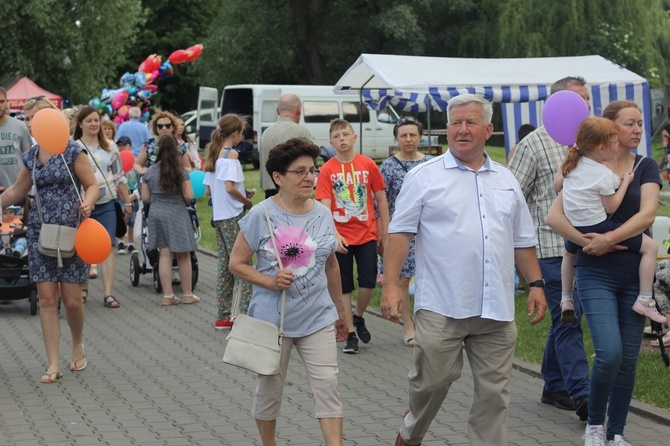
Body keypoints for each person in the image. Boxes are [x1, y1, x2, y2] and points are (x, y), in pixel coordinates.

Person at [381, 94, 546, 446]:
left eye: (470, 122)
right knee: (433, 382)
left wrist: (535, 283)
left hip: (496, 308)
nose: (462, 129)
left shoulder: (506, 179)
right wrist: (391, 286)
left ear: (489, 130)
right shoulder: (424, 177)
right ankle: (410, 435)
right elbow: (400, 233)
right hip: (443, 303)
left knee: (494, 396)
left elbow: (521, 239)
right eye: (455, 123)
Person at [546, 100, 662, 446]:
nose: (638, 130)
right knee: (609, 353)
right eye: (629, 124)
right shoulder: (585, 167)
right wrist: (588, 243)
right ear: (609, 131)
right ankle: (594, 425)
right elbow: (555, 217)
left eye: (640, 123)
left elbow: (647, 216)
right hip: (596, 272)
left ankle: (617, 433)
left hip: (632, 275)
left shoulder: (645, 166)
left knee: (627, 360)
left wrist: (607, 238)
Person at [229, 138, 348, 446]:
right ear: (278, 177)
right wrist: (270, 282)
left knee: (328, 386)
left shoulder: (323, 214)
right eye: (300, 171)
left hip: (318, 315)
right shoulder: (260, 214)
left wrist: (340, 311)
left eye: (313, 170)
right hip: (274, 321)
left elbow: (331, 265)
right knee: (270, 391)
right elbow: (236, 263)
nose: (310, 177)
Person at [508, 76, 591, 419]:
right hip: (550, 248)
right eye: (578, 100)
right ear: (558, 104)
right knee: (568, 319)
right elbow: (511, 197)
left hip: (588, 246)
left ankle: (553, 385)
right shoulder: (534, 144)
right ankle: (584, 394)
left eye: (588, 99)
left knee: (567, 319)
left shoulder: (594, 142)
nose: (585, 106)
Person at [0, 97, 98, 383]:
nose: (31, 123)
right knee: (46, 298)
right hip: (39, 231)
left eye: (36, 117)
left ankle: (77, 343)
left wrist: (89, 203)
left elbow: (91, 184)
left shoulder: (72, 151)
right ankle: (53, 363)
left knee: (71, 300)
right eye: (28, 119)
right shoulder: (30, 155)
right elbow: (18, 190)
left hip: (72, 230)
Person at [557, 117, 665, 325]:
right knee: (650, 247)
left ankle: (566, 297)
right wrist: (626, 182)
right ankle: (644, 298)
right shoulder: (604, 174)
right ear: (601, 148)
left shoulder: (571, 167)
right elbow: (611, 207)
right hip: (598, 226)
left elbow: (557, 187)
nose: (617, 146)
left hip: (575, 227)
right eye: (614, 142)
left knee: (569, 252)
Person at [316, 118, 389, 354]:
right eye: (337, 137)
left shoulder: (368, 164)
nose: (342, 139)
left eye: (346, 135)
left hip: (367, 233)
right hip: (342, 236)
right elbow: (324, 206)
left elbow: (381, 200)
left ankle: (358, 317)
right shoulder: (327, 169)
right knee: (344, 287)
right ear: (331, 142)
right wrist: (334, 234)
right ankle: (349, 334)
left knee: (368, 282)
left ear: (354, 137)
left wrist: (384, 233)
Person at [378, 116, 433, 347]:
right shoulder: (388, 166)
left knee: (429, 278)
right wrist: (385, 233)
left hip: (429, 230)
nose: (408, 139)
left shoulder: (431, 163)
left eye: (412, 135)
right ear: (396, 139)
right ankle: (408, 326)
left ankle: (429, 326)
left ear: (420, 137)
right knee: (401, 278)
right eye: (403, 135)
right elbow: (381, 202)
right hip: (401, 231)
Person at [75, 106, 133, 308]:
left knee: (108, 246)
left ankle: (108, 293)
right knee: (82, 249)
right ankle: (83, 289)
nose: (93, 124)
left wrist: (127, 202)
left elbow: (119, 176)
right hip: (82, 206)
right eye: (89, 120)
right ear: (80, 123)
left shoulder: (110, 146)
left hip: (107, 202)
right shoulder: (74, 147)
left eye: (96, 120)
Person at [203, 114, 254, 329]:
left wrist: (244, 191)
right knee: (243, 265)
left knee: (225, 266)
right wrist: (246, 202)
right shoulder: (232, 154)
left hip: (220, 217)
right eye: (241, 132)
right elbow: (230, 187)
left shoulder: (214, 154)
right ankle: (242, 314)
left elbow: (209, 189)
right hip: (234, 216)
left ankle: (223, 315)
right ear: (235, 133)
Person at [141, 134, 200, 306]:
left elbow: (145, 197)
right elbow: (189, 196)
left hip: (157, 212)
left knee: (164, 253)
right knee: (183, 254)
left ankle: (168, 295)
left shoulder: (151, 170)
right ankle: (187, 294)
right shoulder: (180, 171)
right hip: (176, 213)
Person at [259, 94, 312, 198]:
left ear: (278, 111)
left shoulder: (266, 133)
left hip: (269, 194)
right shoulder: (301, 132)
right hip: (291, 194)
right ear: (299, 110)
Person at [134, 110, 192, 175]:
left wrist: (181, 171)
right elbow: (137, 164)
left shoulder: (180, 145)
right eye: (160, 126)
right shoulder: (148, 144)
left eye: (167, 125)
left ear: (173, 127)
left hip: (173, 182)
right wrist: (141, 170)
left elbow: (188, 167)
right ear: (156, 128)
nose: (164, 128)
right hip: (153, 182)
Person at [0, 87, 33, 188]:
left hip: (18, 192)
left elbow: (29, 160)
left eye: (1, 101)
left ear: (7, 102)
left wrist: (27, 190)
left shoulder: (20, 126)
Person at [116, 136, 139, 255]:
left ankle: (131, 243)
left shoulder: (135, 163)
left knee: (132, 220)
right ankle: (121, 241)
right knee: (121, 218)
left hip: (133, 193)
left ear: (130, 147)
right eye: (119, 145)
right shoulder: (116, 162)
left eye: (124, 145)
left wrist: (135, 195)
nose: (121, 147)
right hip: (120, 194)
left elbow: (139, 180)